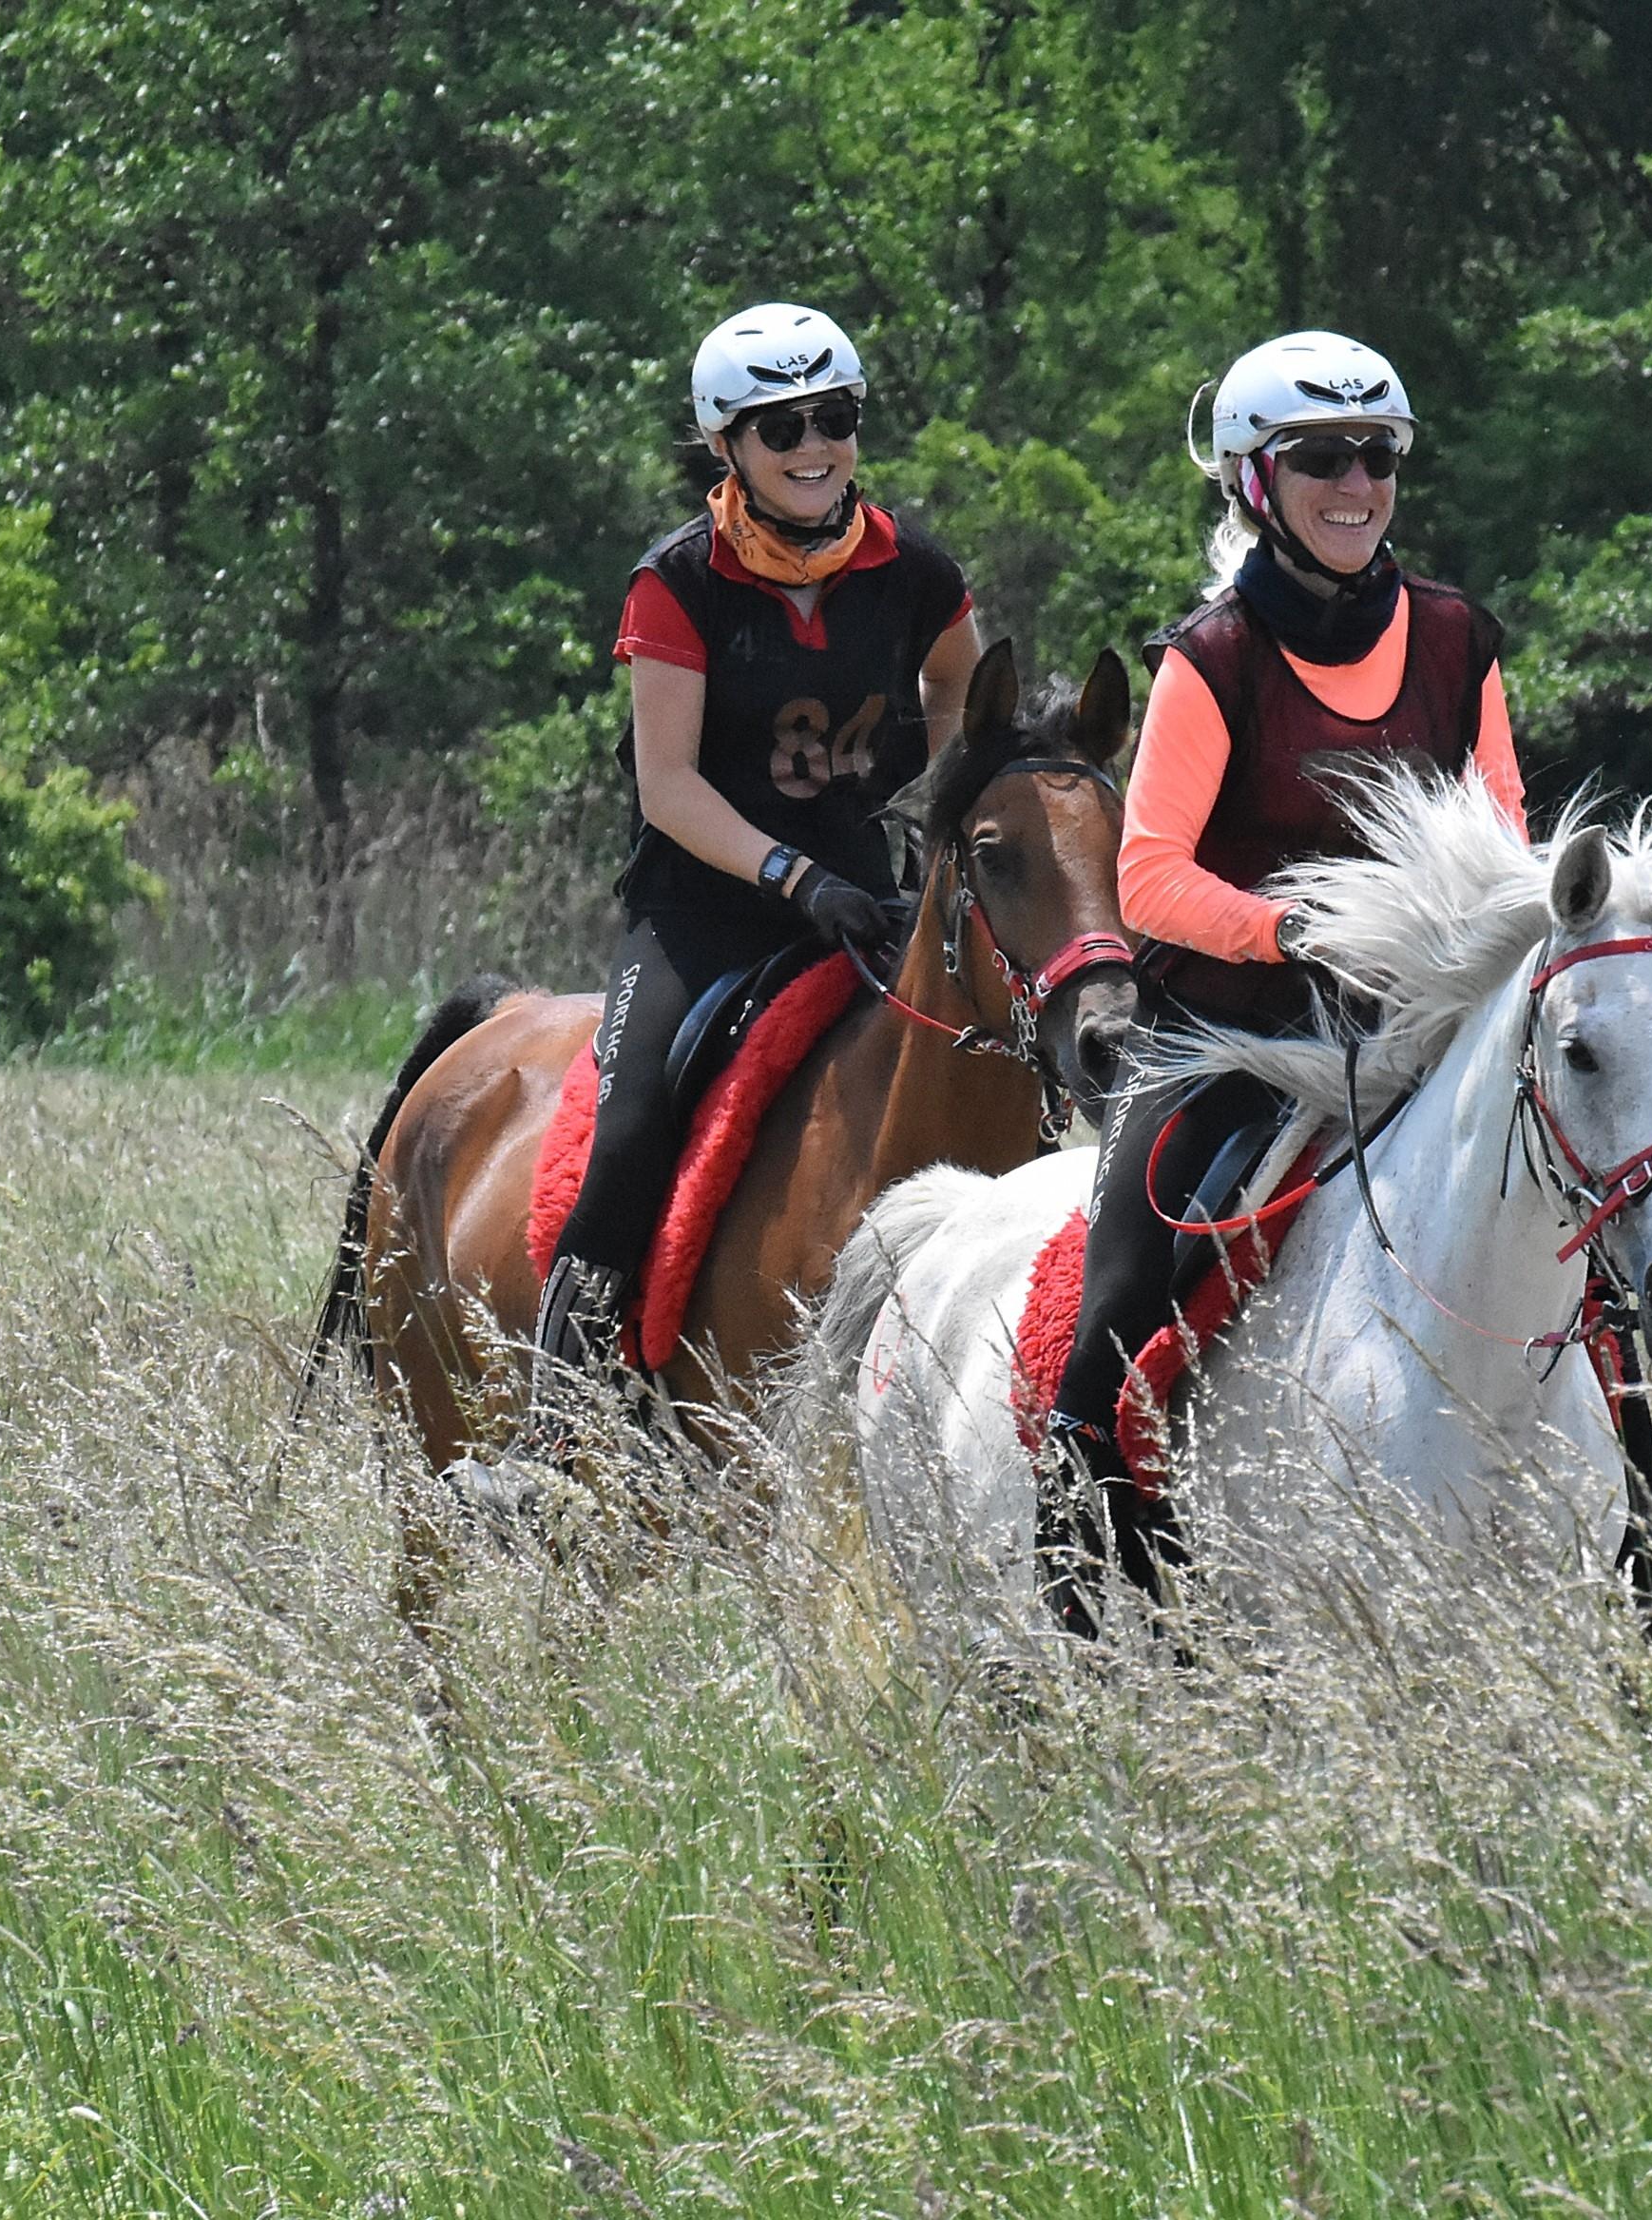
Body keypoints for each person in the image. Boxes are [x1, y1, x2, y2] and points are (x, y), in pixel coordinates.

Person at [1039, 329, 1527, 1620]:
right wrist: (1299, 933)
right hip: (1231, 1041)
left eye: (1378, 455)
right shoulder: (1211, 657)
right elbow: (1147, 878)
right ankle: (1084, 1571)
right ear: (1257, 479)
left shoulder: (1459, 638)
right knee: (1121, 1302)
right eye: (1321, 457)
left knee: (1591, 1261)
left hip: (1419, 1031)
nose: (1357, 481)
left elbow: (1509, 843)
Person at [534, 301, 979, 1408]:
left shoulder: (913, 566)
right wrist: (793, 877)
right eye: (780, 428)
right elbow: (668, 788)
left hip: (864, 897)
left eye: (834, 417)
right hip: (701, 910)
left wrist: (921, 797)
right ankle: (558, 1416)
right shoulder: (675, 581)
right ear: (724, 444)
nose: (814, 447)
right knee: (630, 1124)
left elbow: (964, 694)